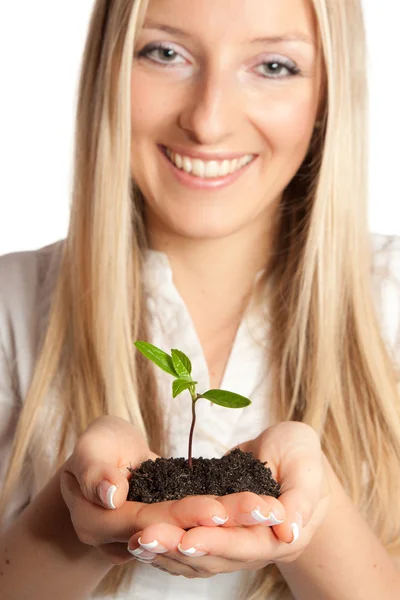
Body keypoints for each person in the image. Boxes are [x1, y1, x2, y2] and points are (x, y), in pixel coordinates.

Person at [1, 0, 400, 598]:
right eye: (166, 53)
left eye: (272, 65)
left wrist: (313, 524)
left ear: (327, 95)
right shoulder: (14, 305)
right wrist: (75, 513)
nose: (208, 120)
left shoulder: (390, 299)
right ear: (109, 68)